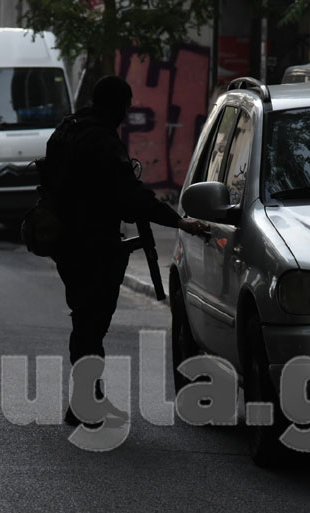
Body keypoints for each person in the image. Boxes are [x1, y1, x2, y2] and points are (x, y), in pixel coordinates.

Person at [46, 75, 207, 426]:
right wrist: (178, 222)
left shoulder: (68, 130)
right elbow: (129, 195)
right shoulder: (102, 140)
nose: (126, 112)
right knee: (92, 322)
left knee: (84, 318)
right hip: (93, 244)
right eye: (125, 105)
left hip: (64, 243)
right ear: (117, 105)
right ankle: (86, 401)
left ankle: (86, 398)